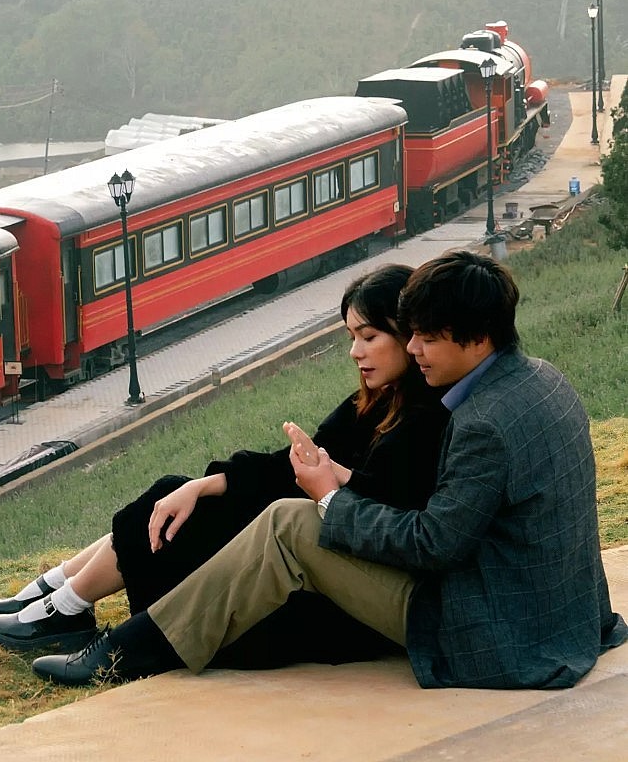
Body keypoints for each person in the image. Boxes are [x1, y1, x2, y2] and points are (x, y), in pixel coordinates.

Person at [30, 250, 626, 689]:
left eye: (423, 338)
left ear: (474, 336)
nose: (413, 351)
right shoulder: (545, 380)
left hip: (488, 631)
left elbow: (435, 543)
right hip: (546, 610)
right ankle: (105, 625)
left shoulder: (479, 424)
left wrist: (331, 499)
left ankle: (121, 655)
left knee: (291, 524)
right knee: (274, 514)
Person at [0, 263, 448, 665]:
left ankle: (65, 605)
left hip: (338, 591)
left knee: (189, 517)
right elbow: (288, 468)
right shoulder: (373, 404)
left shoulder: (424, 420)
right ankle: (58, 594)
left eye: (369, 336)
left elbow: (377, 504)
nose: (355, 352)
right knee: (178, 493)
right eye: (351, 337)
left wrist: (330, 482)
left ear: (408, 335)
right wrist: (205, 484)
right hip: (314, 559)